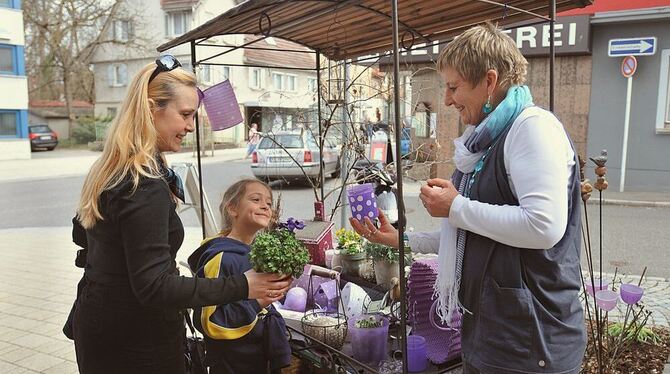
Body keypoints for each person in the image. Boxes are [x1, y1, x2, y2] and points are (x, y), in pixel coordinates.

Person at [350, 23, 585, 374]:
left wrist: (457, 206)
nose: (446, 99)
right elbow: (471, 234)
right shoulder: (485, 142)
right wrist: (399, 238)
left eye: (454, 86)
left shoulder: (532, 128)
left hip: (530, 343)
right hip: (493, 335)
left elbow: (544, 227)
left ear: (489, 81)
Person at [70, 55, 291, 374]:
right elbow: (155, 287)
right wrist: (244, 285)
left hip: (99, 326)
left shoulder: (113, 167)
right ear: (150, 110)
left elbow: (82, 234)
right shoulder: (142, 183)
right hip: (135, 341)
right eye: (185, 115)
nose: (190, 126)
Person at [188, 179, 291, 373]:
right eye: (255, 199)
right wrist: (258, 303)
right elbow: (210, 322)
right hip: (233, 364)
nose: (265, 206)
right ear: (232, 209)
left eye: (268, 203)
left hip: (257, 357)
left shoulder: (255, 252)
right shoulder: (222, 258)